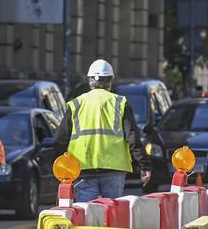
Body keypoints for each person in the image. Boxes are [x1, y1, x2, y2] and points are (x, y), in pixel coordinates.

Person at [53, 59, 150, 202]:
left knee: (86, 214)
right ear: (110, 81)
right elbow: (132, 138)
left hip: (83, 169)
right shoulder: (119, 103)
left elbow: (59, 140)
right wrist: (144, 165)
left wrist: (63, 167)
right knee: (113, 215)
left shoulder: (76, 104)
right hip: (114, 169)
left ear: (90, 81)